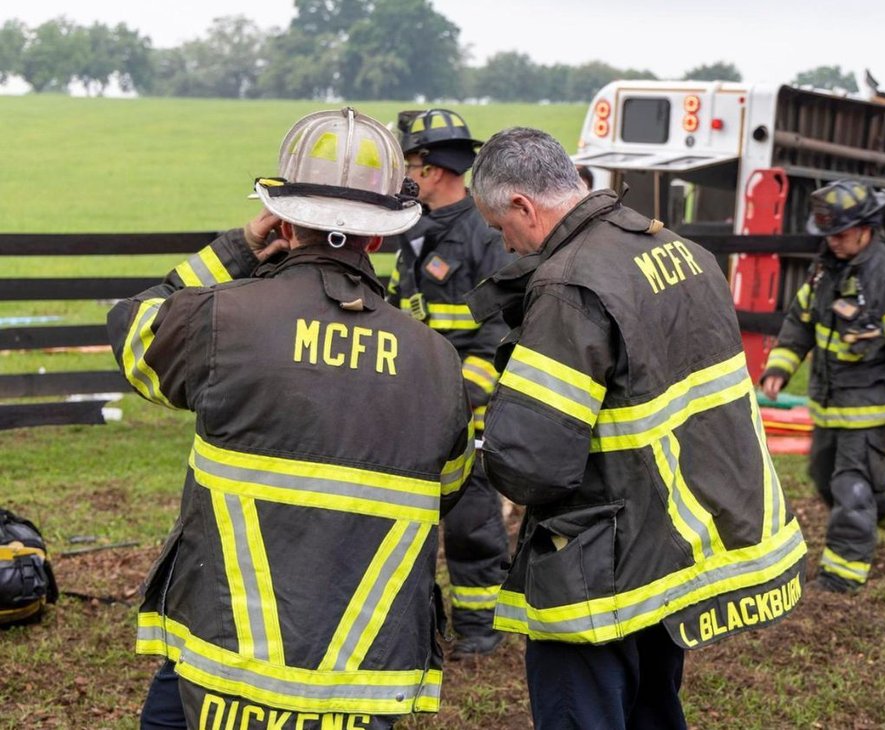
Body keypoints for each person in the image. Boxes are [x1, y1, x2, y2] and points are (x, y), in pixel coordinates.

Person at [111, 108, 473, 730]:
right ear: (380, 237)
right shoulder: (437, 363)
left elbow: (132, 329)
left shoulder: (223, 322)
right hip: (361, 684)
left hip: (221, 669)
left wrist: (236, 249)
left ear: (282, 220)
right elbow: (450, 486)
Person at [465, 127, 807, 729]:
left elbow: (532, 462)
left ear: (523, 205)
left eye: (500, 228)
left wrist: (482, 443)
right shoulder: (681, 252)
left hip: (599, 563)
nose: (507, 244)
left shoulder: (569, 286)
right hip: (671, 549)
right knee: (653, 709)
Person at [759, 179, 885, 594]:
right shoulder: (825, 270)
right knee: (826, 479)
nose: (833, 242)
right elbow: (800, 321)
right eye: (828, 235)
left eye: (840, 234)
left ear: (866, 227)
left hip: (869, 410)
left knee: (852, 488)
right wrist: (779, 368)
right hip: (829, 407)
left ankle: (841, 580)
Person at [387, 108, 513, 659]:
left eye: (411, 163)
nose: (405, 174)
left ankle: (479, 629)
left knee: (471, 522)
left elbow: (501, 329)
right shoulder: (410, 229)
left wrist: (466, 394)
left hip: (470, 408)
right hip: (412, 404)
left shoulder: (484, 235)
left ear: (435, 169)